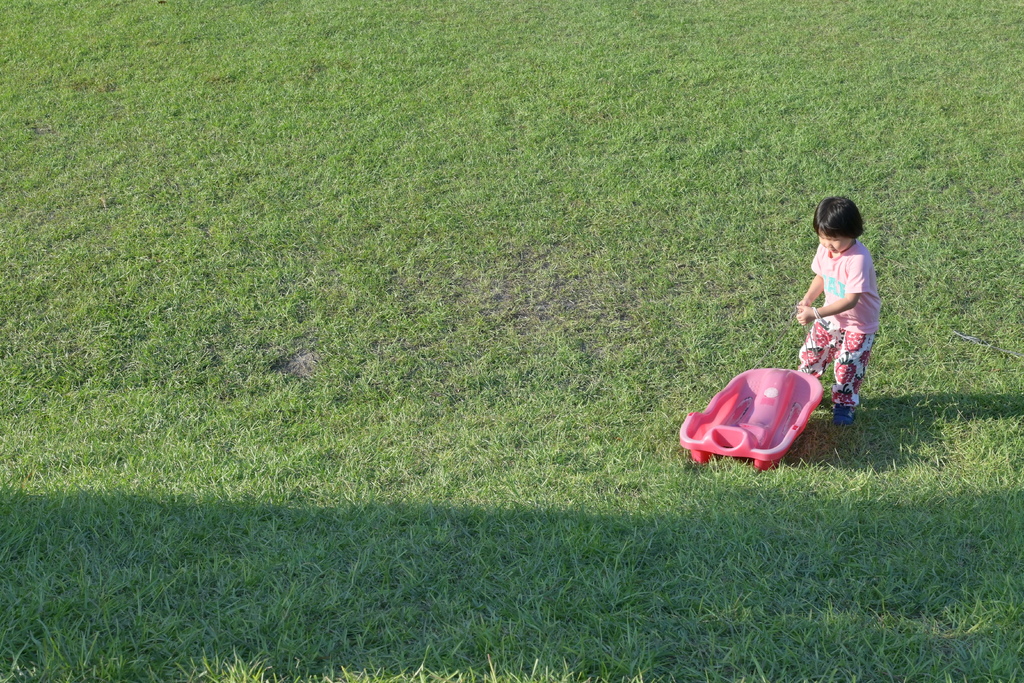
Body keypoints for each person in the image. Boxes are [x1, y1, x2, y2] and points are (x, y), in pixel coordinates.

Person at [794, 197, 881, 425]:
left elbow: (851, 300)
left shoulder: (858, 259)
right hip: (829, 317)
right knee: (812, 352)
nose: (827, 244)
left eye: (834, 240)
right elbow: (821, 275)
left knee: (848, 365)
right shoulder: (825, 250)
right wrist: (808, 298)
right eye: (822, 238)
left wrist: (815, 312)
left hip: (858, 324)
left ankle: (844, 403)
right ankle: (805, 389)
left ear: (852, 233)